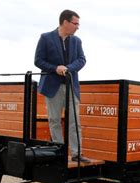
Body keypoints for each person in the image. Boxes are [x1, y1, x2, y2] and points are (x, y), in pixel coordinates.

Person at [34, 9, 89, 162]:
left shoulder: (77, 41)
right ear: (65, 22)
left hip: (71, 86)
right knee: (54, 120)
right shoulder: (45, 38)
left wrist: (68, 68)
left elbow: (82, 60)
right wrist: (55, 68)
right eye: (75, 23)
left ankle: (77, 154)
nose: (77, 27)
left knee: (74, 121)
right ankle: (59, 153)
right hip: (52, 87)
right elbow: (38, 61)